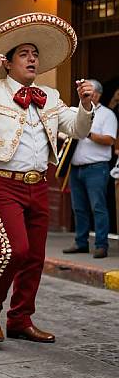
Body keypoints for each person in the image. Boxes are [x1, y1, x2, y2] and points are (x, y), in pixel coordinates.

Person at [0, 12, 94, 344]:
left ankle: (20, 319)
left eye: (35, 54)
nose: (32, 59)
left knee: (35, 256)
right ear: (7, 63)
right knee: (15, 250)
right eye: (24, 54)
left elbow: (78, 129)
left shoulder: (50, 97)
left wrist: (85, 106)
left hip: (38, 184)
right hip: (0, 182)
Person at [63, 79, 117, 258]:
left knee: (98, 207)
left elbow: (110, 140)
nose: (87, 94)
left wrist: (88, 133)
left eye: (91, 91)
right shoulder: (78, 111)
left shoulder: (107, 115)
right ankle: (81, 242)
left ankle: (101, 245)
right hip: (76, 167)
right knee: (79, 208)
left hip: (96, 168)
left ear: (98, 94)